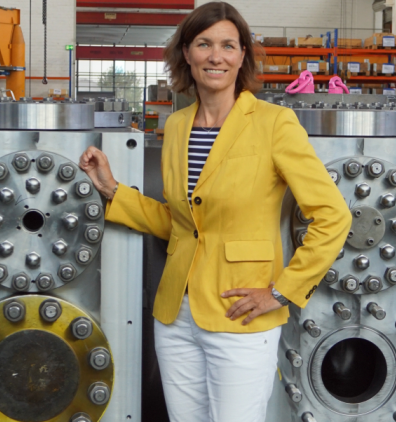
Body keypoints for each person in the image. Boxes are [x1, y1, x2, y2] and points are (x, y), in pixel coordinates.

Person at [79, 2, 352, 421]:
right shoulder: (177, 125)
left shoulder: (274, 123)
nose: (216, 56)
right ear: (186, 53)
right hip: (176, 314)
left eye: (228, 45)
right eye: (204, 44)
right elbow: (182, 224)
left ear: (242, 55)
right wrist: (113, 190)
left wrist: (282, 291)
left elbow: (333, 216)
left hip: (240, 312)